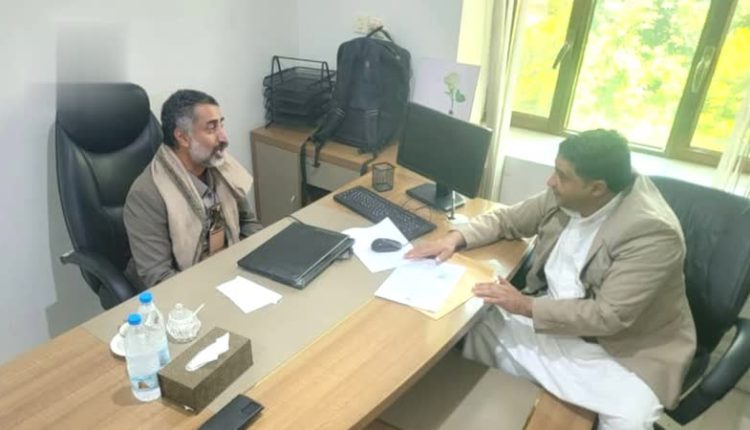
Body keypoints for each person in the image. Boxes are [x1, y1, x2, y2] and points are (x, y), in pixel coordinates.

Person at [406, 129, 696, 430]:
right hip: (552, 320)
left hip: (620, 349)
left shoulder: (652, 233)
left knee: (629, 422)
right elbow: (506, 219)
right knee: (465, 327)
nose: (550, 181)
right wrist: (453, 239)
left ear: (597, 188)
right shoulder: (567, 194)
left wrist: (525, 306)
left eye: (561, 175)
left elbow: (609, 316)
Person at [124, 89, 262, 288]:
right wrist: (216, 288)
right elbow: (159, 277)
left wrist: (255, 268)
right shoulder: (146, 194)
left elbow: (248, 223)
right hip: (187, 288)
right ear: (183, 138)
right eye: (211, 128)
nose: (224, 138)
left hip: (230, 272)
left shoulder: (220, 167)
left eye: (221, 125)